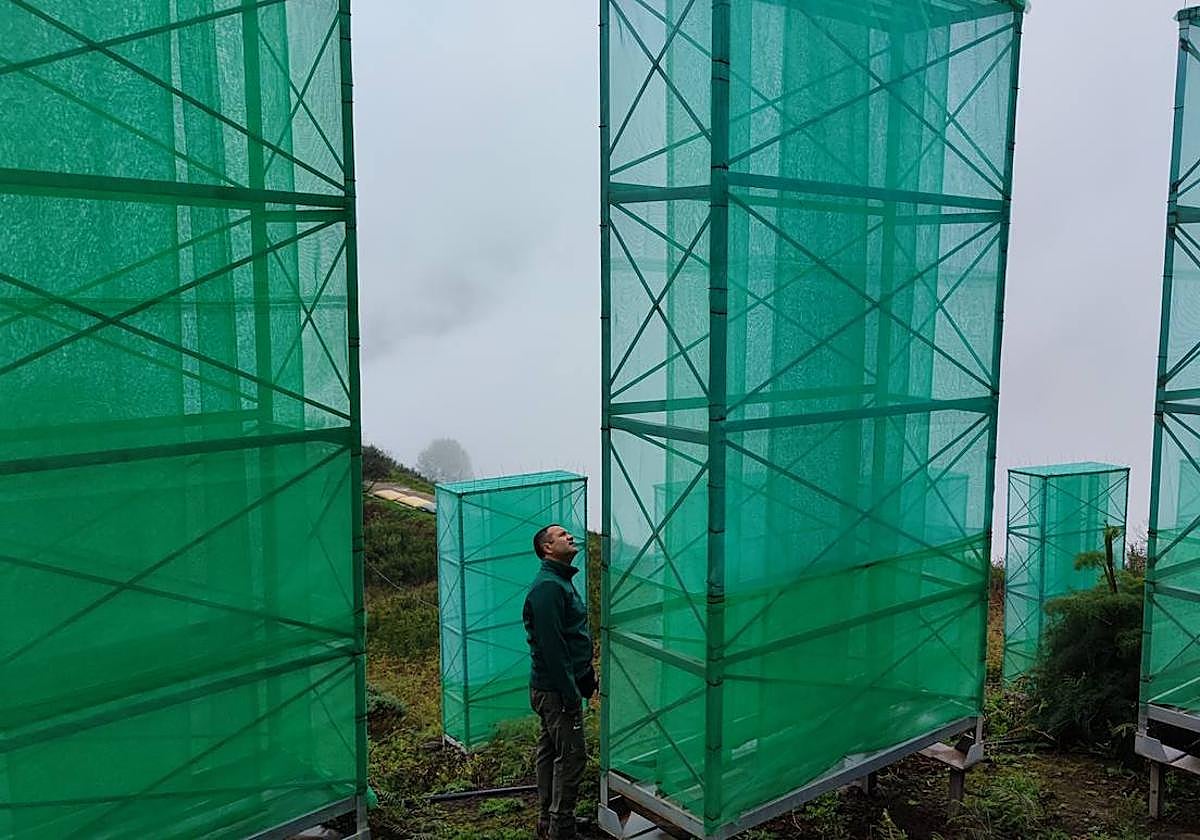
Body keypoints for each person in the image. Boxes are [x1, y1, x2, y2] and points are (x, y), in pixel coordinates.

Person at [523, 523, 596, 840]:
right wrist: (571, 691)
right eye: (561, 535)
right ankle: (561, 829)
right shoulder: (549, 588)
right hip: (555, 691)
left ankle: (549, 821)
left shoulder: (559, 581)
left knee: (552, 752)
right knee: (571, 757)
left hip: (553, 688)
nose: (569, 536)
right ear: (547, 548)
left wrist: (585, 673)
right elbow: (553, 648)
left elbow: (568, 637)